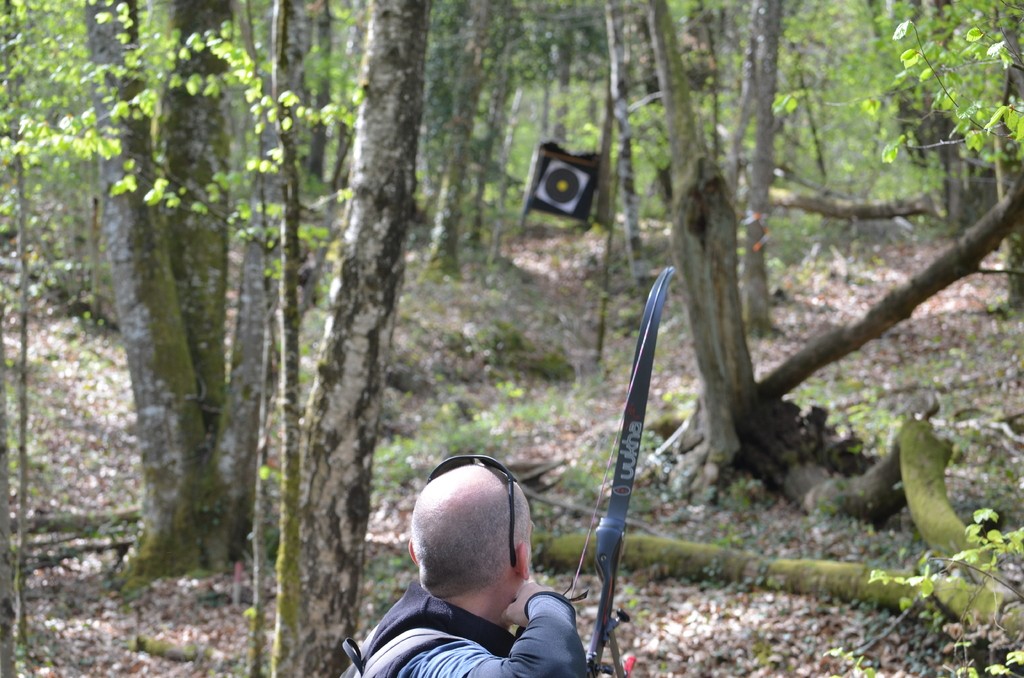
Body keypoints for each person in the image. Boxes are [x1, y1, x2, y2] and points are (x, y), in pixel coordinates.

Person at [345, 455, 586, 677]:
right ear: (521, 558)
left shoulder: (401, 630)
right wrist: (547, 603)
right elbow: (549, 671)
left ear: (415, 554)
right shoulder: (427, 662)